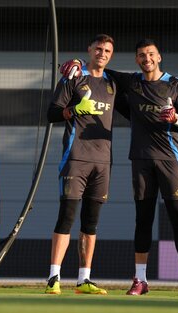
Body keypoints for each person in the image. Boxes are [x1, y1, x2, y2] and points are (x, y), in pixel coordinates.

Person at [60, 38, 178, 296]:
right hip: (141, 160)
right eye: (141, 56)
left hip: (171, 161)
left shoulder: (176, 84)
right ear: (137, 60)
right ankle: (141, 280)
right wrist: (78, 62)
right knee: (143, 219)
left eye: (151, 54)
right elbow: (102, 69)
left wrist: (177, 119)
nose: (146, 59)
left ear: (159, 57)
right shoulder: (132, 82)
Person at [45, 34, 125, 295]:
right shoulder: (74, 76)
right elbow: (52, 113)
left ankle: (84, 280)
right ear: (90, 50)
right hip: (75, 158)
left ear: (111, 55)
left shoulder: (114, 82)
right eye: (98, 49)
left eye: (107, 50)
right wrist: (75, 110)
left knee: (91, 223)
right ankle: (53, 278)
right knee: (66, 218)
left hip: (103, 162)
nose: (102, 53)